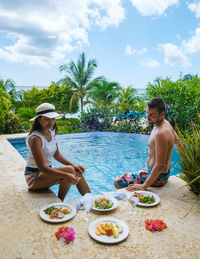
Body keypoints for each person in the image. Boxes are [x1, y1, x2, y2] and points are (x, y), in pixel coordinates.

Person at [114, 97, 183, 191]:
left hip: (157, 178)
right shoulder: (165, 123)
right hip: (158, 174)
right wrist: (188, 162)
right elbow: (178, 141)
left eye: (152, 114)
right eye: (147, 112)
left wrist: (144, 186)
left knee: (118, 181)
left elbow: (160, 165)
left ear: (162, 114)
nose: (147, 116)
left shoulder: (161, 133)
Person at [25, 103, 91, 201]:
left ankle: (91, 200)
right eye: (47, 119)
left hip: (47, 173)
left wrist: (73, 165)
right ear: (39, 119)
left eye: (53, 118)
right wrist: (66, 175)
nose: (51, 121)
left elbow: (57, 154)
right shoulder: (35, 138)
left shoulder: (51, 132)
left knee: (75, 170)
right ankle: (60, 201)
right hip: (34, 177)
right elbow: (42, 168)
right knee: (69, 172)